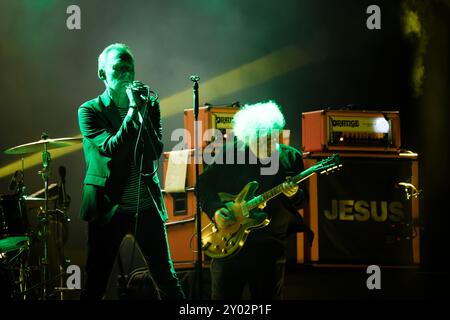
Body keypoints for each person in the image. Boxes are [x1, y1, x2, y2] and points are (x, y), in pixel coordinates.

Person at [77, 43, 185, 300]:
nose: (125, 73)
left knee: (167, 279)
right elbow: (112, 149)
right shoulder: (90, 111)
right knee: (95, 283)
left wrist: (142, 111)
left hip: (145, 204)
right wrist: (134, 112)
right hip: (108, 207)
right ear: (103, 74)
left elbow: (154, 151)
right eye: (118, 68)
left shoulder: (150, 105)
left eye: (129, 68)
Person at [197, 100, 313, 300]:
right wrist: (215, 210)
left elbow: (302, 201)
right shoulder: (229, 154)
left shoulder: (290, 158)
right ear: (247, 137)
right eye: (262, 139)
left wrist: (294, 194)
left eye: (273, 138)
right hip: (229, 248)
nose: (269, 144)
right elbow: (202, 186)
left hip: (270, 248)